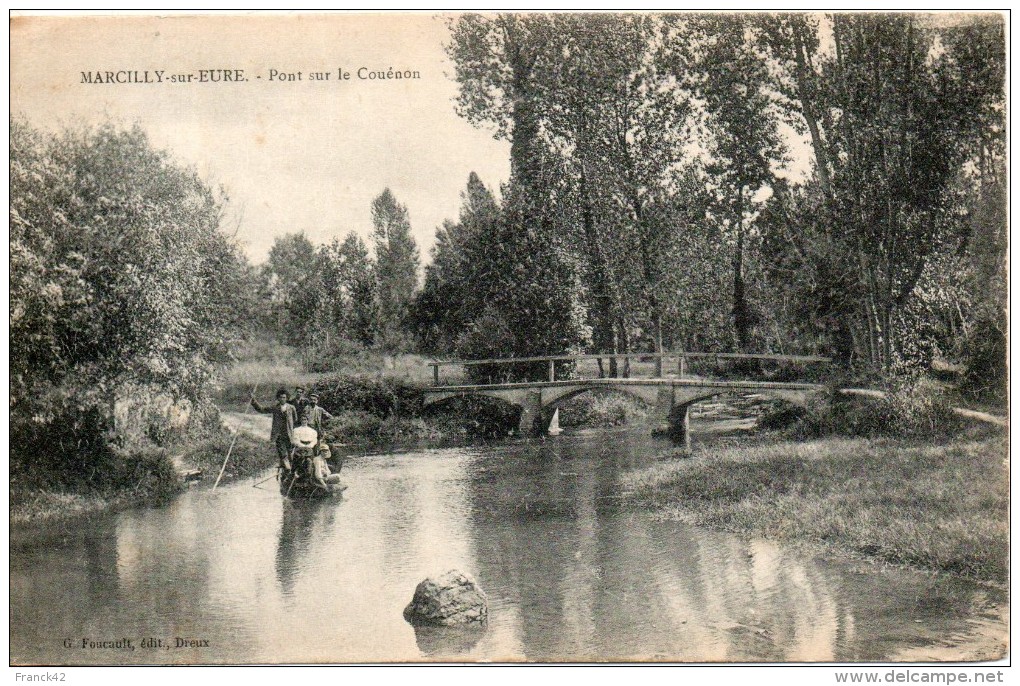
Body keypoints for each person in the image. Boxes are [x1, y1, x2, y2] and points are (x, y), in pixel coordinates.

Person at [250, 388, 297, 471]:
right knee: (282, 454)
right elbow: (262, 409)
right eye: (281, 397)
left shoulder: (291, 408)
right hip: (279, 434)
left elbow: (295, 419)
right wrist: (253, 401)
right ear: (278, 398)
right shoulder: (275, 407)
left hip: (289, 434)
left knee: (291, 453)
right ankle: (286, 469)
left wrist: (293, 431)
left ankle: (293, 471)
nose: (282, 399)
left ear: (287, 398)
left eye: (284, 397)